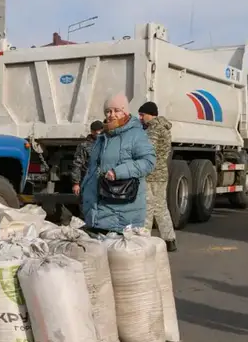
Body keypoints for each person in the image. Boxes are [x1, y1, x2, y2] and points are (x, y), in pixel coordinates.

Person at [81, 93, 156, 235]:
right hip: (97, 210)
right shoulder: (102, 137)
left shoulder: (136, 134)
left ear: (125, 112)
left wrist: (118, 172)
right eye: (108, 111)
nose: (112, 115)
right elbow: (93, 169)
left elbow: (148, 162)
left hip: (121, 211)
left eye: (117, 110)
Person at [138, 101, 177, 252]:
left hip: (151, 174)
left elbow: (148, 150)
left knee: (147, 208)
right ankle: (169, 239)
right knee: (161, 207)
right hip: (161, 173)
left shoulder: (153, 129)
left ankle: (144, 240)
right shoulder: (163, 127)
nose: (140, 118)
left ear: (150, 114)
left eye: (142, 115)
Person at [71, 120, 105, 196]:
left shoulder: (107, 143)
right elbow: (77, 164)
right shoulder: (84, 146)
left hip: (105, 181)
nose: (98, 133)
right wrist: (76, 183)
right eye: (96, 131)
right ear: (92, 131)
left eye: (100, 130)